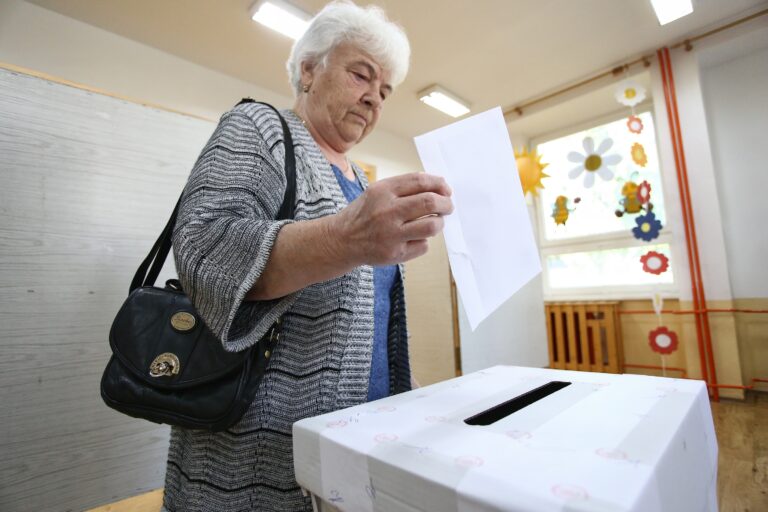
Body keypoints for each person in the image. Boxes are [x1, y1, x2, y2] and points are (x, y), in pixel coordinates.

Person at [161, 1, 453, 511]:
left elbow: (369, 322)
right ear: (309, 70)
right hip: (255, 457)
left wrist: (409, 391)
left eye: (385, 91)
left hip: (353, 452)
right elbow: (204, 248)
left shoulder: (360, 178)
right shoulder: (260, 128)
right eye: (362, 74)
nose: (374, 99)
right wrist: (346, 238)